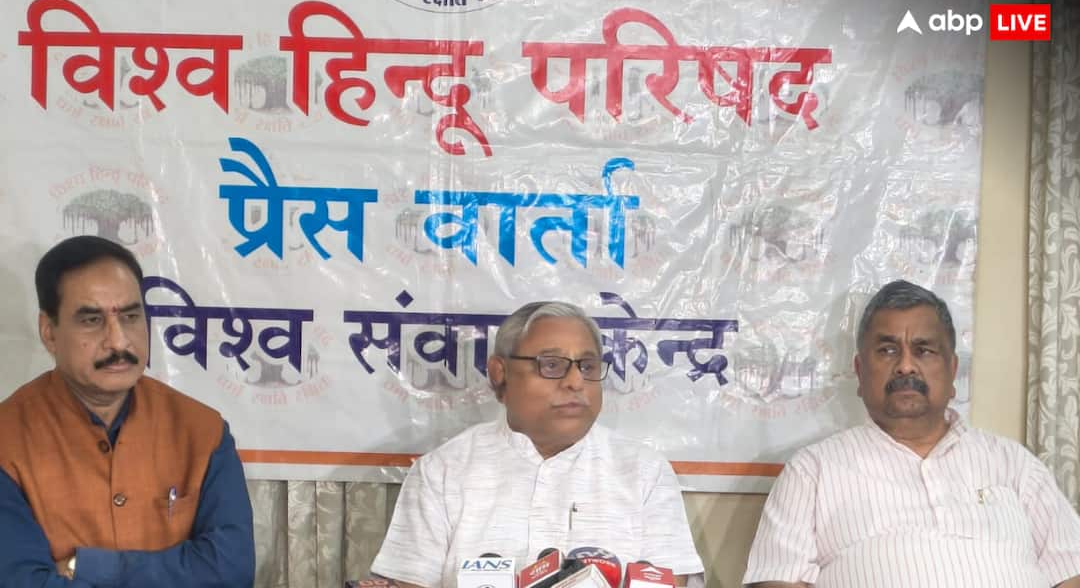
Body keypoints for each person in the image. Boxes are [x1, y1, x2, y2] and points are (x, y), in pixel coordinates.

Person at [743, 280, 1080, 588]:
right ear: (860, 372)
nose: (906, 366)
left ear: (952, 371)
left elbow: (1071, 573)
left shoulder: (1015, 464)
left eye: (924, 350)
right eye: (888, 350)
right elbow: (776, 581)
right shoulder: (812, 471)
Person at [371, 301, 705, 587]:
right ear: (499, 372)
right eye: (552, 365)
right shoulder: (442, 471)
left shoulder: (644, 471)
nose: (575, 381)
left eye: (588, 366)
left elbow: (672, 579)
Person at [0, 236, 255, 587]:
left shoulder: (201, 430)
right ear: (49, 332)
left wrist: (84, 566)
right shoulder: (7, 442)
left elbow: (232, 570)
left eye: (131, 316)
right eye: (92, 320)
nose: (119, 341)